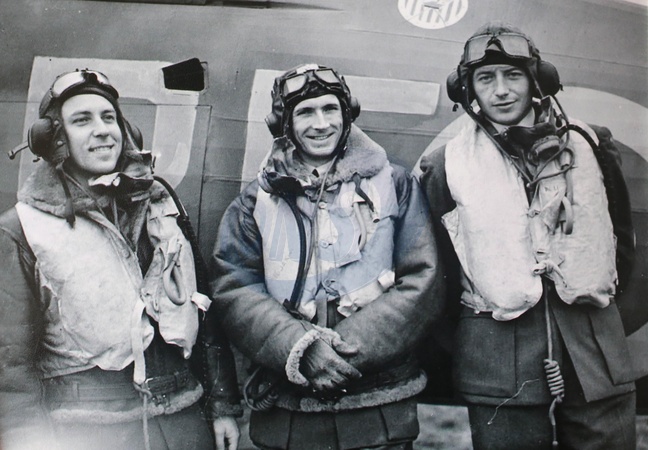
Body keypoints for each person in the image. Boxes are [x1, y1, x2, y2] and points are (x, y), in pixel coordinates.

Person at [419, 22, 638, 449]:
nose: (501, 90)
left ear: (538, 79)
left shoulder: (591, 145)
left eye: (513, 75)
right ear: (467, 90)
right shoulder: (444, 166)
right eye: (485, 78)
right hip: (498, 358)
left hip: (593, 348)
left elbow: (622, 248)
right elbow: (441, 274)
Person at [0, 69, 242, 450]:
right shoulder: (23, 228)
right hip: (88, 430)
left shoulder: (161, 204)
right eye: (82, 120)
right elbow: (10, 363)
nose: (102, 131)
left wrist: (222, 406)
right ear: (54, 139)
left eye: (108, 117)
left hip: (184, 421)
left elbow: (203, 312)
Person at [209, 63, 442, 449]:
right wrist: (300, 350)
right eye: (305, 112)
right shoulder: (254, 201)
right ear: (284, 123)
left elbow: (423, 279)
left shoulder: (395, 184)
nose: (321, 124)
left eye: (330, 109)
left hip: (379, 406)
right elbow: (235, 287)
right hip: (290, 413)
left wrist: (342, 352)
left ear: (347, 113)